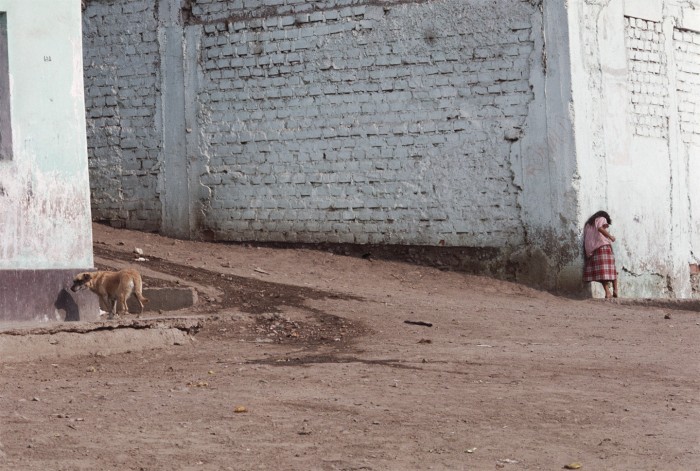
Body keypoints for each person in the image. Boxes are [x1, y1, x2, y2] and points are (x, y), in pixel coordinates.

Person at [583, 210, 619, 298]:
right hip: (603, 246)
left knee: (602, 272)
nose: (606, 226)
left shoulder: (588, 224)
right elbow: (600, 228)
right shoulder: (602, 218)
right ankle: (615, 290)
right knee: (612, 269)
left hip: (593, 250)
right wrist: (610, 236)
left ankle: (607, 292)